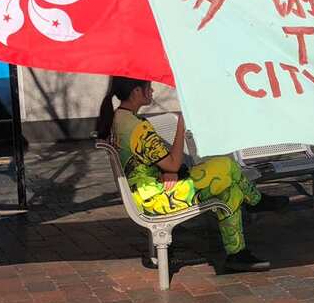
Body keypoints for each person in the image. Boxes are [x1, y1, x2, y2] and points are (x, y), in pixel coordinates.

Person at [95, 77, 283, 273]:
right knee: (226, 166)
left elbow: (152, 161)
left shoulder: (120, 120)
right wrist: (181, 126)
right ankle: (255, 202)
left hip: (148, 190)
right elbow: (174, 163)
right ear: (135, 92)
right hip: (156, 199)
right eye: (148, 88)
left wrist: (168, 172)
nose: (152, 91)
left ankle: (237, 254)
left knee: (229, 186)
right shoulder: (137, 127)